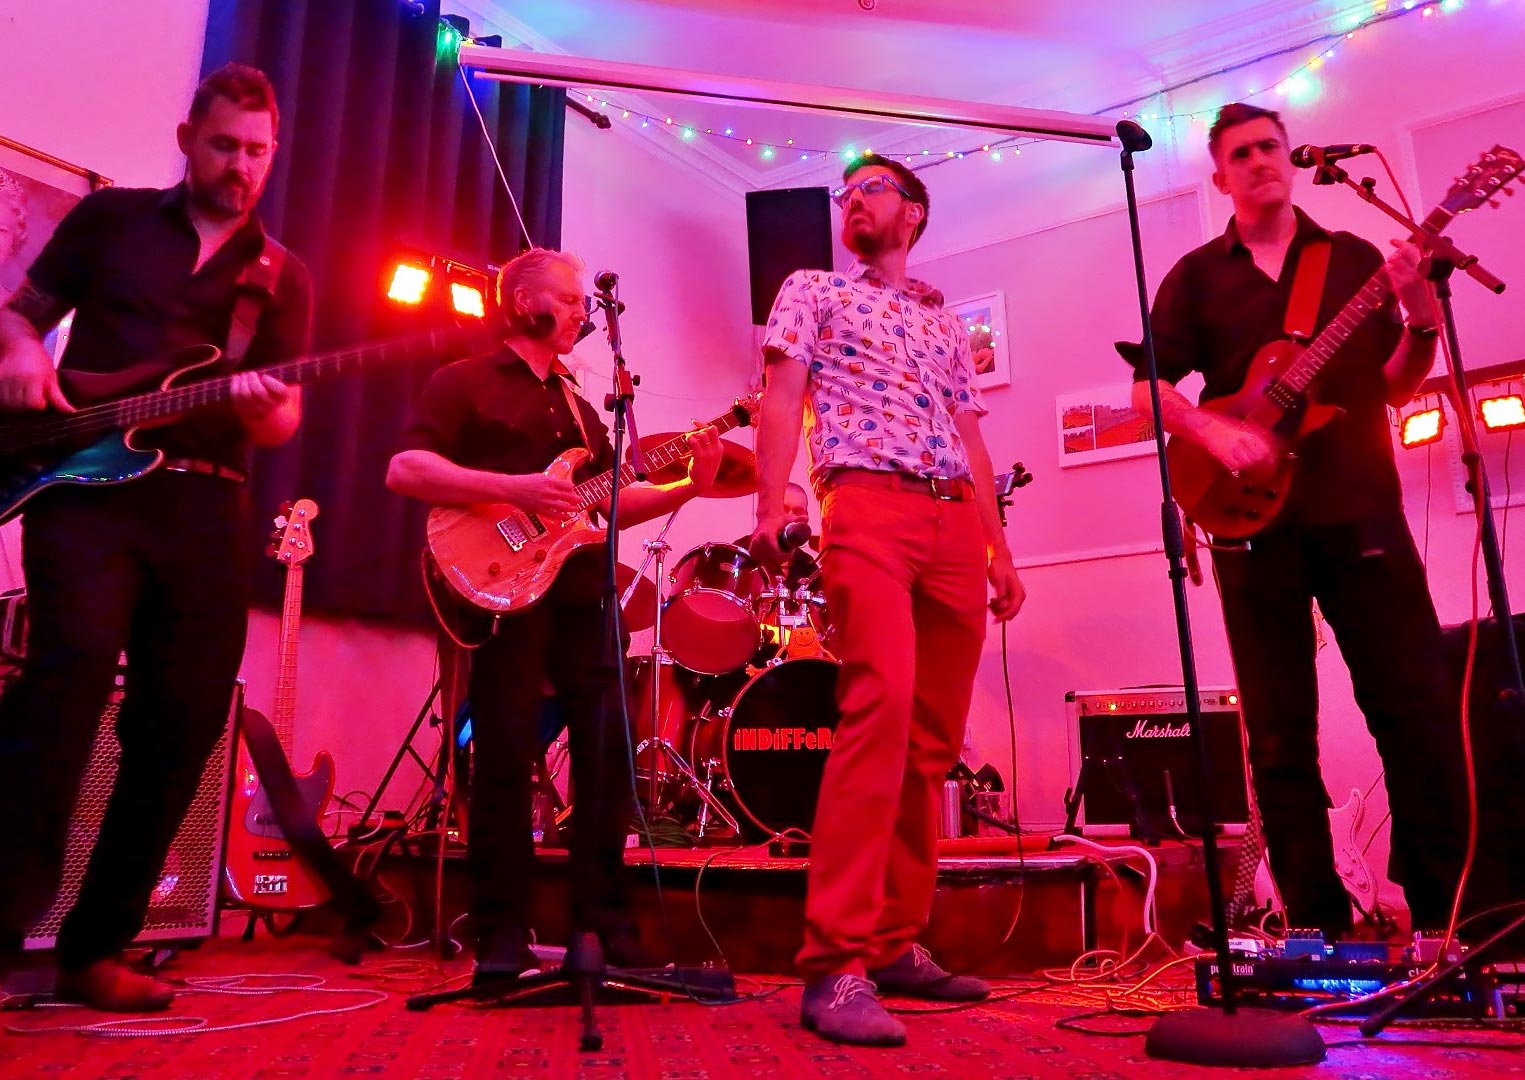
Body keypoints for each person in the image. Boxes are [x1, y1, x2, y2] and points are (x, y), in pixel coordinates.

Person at [0, 63, 312, 1011]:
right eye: (224, 146)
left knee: (180, 723)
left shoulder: (283, 277)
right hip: (84, 492)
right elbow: (20, 316)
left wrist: (264, 410)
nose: (240, 166)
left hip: (206, 506)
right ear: (187, 141)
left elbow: (284, 418)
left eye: (257, 151)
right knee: (65, 687)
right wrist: (20, 353)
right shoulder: (112, 221)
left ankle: (97, 949)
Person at [1123, 103, 1465, 939]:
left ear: (1289, 157)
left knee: (1415, 712)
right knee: (1277, 737)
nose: (1258, 160)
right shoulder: (1195, 276)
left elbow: (1393, 385)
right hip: (1249, 524)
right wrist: (1214, 432)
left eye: (1268, 146)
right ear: (1219, 177)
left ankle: (1439, 921)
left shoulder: (1352, 259)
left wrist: (1420, 316)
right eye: (1239, 153)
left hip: (1360, 508)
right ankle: (1315, 932)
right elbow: (1146, 392)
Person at [386, 247, 722, 982]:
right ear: (523, 303)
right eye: (569, 300)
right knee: (504, 754)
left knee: (607, 756)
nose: (581, 314)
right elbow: (405, 469)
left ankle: (603, 928)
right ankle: (501, 934)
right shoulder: (463, 380)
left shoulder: (578, 402)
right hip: (502, 590)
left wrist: (688, 487)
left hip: (581, 593)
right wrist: (513, 488)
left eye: (582, 303)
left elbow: (602, 499)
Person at [751, 154, 1024, 1047]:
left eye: (869, 187)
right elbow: (781, 397)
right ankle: (834, 963)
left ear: (912, 211)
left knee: (930, 742)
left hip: (954, 523)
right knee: (877, 712)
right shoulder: (813, 288)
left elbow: (970, 437)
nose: (850, 199)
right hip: (865, 505)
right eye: (846, 191)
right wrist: (769, 504)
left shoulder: (943, 320)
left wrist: (998, 548)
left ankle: (893, 940)